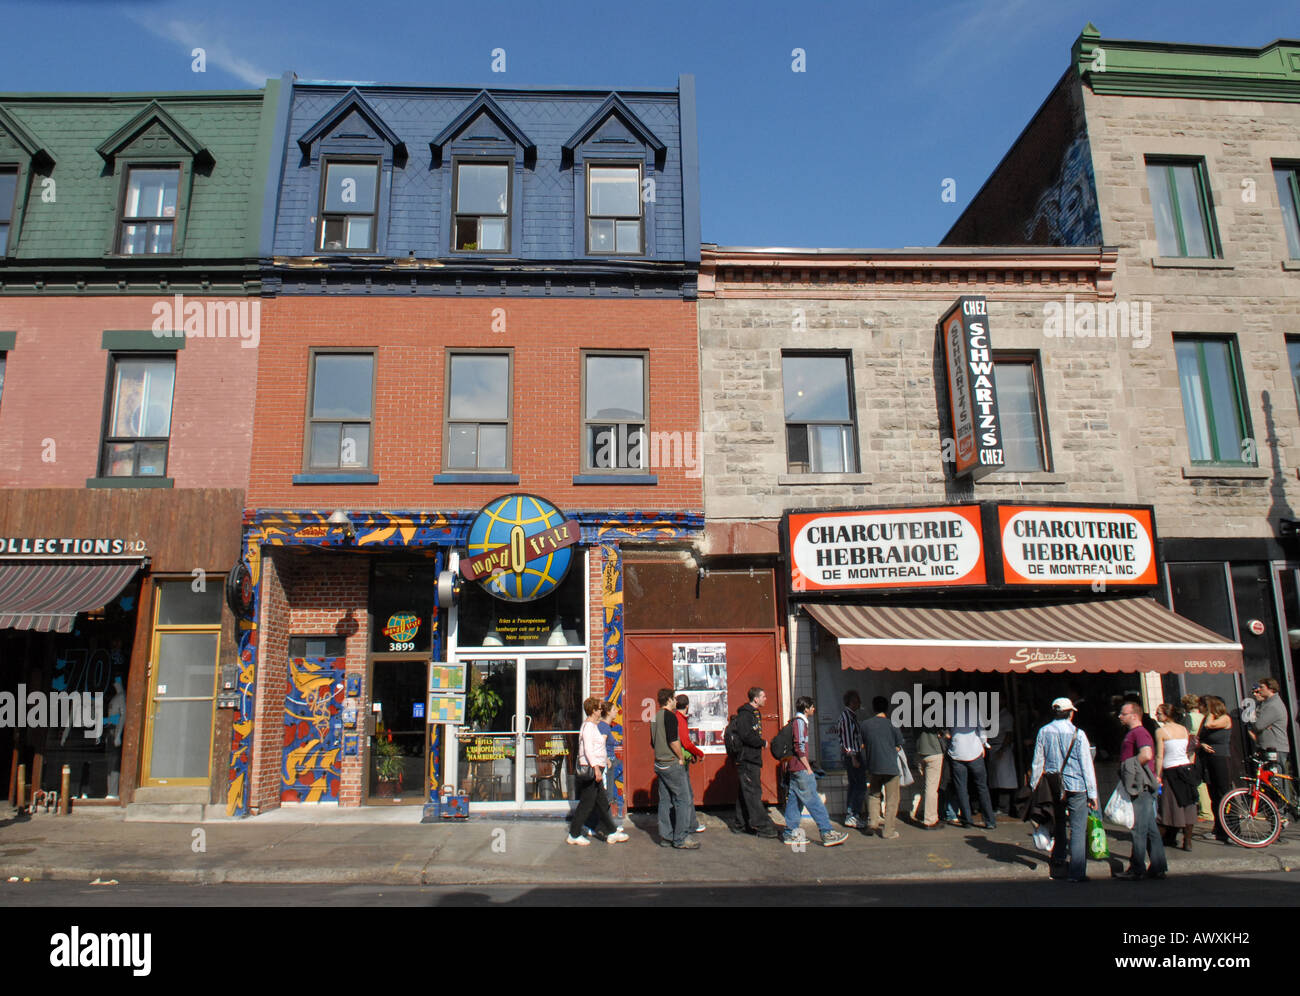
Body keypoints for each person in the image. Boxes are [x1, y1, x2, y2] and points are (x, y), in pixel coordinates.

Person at [1029, 697, 1098, 883]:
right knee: (1077, 827)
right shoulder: (1078, 734)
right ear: (1070, 713)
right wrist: (1092, 793)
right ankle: (1076, 872)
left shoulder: (1044, 731)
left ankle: (1058, 859)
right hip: (1076, 785)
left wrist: (1034, 785)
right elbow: (1086, 765)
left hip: (1053, 784)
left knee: (1058, 822)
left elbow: (1038, 761)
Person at [782, 697, 848, 847]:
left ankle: (790, 832)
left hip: (794, 767)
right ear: (806, 708)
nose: (814, 709)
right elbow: (800, 746)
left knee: (794, 800)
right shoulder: (800, 722)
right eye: (812, 707)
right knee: (814, 800)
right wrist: (808, 767)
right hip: (800, 768)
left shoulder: (799, 722)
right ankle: (827, 832)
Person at [1114, 701, 1167, 880]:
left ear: (1134, 716)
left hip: (1141, 787)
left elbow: (1146, 754)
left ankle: (1137, 868)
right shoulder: (1132, 733)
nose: (1120, 716)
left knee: (1139, 829)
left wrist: (1128, 767)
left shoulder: (1140, 733)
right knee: (1150, 829)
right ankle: (1158, 866)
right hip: (1140, 785)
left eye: (1123, 713)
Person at [567, 697, 629, 846]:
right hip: (591, 769)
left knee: (602, 802)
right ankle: (574, 834)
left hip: (598, 767)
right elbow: (588, 749)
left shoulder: (593, 726)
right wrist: (596, 768)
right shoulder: (588, 727)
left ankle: (611, 832)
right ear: (593, 710)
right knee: (587, 803)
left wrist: (605, 760)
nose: (601, 710)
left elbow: (597, 747)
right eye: (599, 708)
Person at [652, 688, 698, 850]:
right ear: (670, 700)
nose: (675, 702)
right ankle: (681, 838)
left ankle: (666, 836)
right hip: (671, 762)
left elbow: (653, 742)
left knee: (665, 800)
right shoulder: (670, 717)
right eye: (674, 699)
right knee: (683, 800)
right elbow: (673, 740)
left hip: (659, 763)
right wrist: (680, 757)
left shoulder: (655, 716)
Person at [730, 687, 780, 838]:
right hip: (747, 760)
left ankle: (740, 824)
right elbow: (746, 736)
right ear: (755, 699)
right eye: (763, 696)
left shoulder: (755, 713)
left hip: (752, 759)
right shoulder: (745, 715)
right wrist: (762, 742)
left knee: (745, 792)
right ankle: (762, 826)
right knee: (753, 793)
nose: (766, 699)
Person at [1156, 702, 1200, 851]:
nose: (1156, 715)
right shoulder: (1183, 729)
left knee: (1169, 806)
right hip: (1186, 768)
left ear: (1167, 715)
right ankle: (1187, 840)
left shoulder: (1161, 732)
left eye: (1159, 713)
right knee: (1188, 804)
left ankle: (1163, 839)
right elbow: (1187, 750)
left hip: (1171, 769)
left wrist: (1158, 775)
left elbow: (1159, 756)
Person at [861, 695, 905, 839]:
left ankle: (872, 823)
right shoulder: (893, 724)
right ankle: (888, 831)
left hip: (873, 766)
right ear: (887, 708)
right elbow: (898, 746)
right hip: (891, 767)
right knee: (892, 800)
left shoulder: (865, 725)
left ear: (873, 708)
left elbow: (862, 745)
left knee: (874, 795)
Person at [946, 713, 997, 830]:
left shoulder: (948, 710)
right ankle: (989, 821)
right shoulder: (974, 709)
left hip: (957, 753)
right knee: (982, 787)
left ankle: (967, 820)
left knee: (961, 788)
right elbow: (981, 729)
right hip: (975, 751)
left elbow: (946, 731)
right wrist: (983, 743)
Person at [1198, 695, 1233, 843]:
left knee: (1223, 792)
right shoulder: (1206, 719)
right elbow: (1199, 736)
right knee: (1214, 794)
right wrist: (1202, 745)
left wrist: (1210, 714)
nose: (1200, 709)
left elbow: (1209, 726)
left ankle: (1231, 828)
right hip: (1208, 759)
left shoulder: (1224, 718)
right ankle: (1218, 828)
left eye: (1203, 706)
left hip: (1220, 758)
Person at [674, 694, 706, 834]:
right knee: (686, 794)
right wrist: (699, 752)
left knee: (683, 794)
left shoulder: (675, 718)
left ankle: (690, 823)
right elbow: (686, 742)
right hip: (680, 760)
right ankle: (689, 825)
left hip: (677, 759)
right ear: (687, 706)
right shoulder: (680, 719)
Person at [1250, 678, 1291, 773]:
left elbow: (1258, 725)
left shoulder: (1273, 705)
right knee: (1268, 781)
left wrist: (1257, 720)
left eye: (1262, 687)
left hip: (1275, 749)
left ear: (1271, 689)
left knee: (1275, 781)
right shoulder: (1265, 704)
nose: (1259, 689)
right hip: (1267, 748)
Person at [838, 691, 866, 828]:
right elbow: (848, 740)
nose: (859, 703)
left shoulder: (851, 717)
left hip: (853, 754)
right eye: (857, 701)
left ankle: (853, 814)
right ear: (851, 702)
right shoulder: (847, 717)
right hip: (852, 756)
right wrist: (854, 757)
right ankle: (853, 814)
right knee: (858, 785)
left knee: (855, 785)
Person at [987, 702, 1017, 816]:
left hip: (1002, 748)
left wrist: (1002, 749)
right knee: (995, 779)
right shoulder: (994, 715)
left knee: (1004, 780)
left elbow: (1009, 734)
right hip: (993, 747)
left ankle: (1004, 807)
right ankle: (997, 806)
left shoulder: (1007, 716)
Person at [916, 714, 945, 829]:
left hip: (920, 753)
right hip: (934, 752)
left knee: (926, 786)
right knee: (932, 789)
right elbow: (942, 732)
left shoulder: (914, 715)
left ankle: (923, 811)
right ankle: (930, 820)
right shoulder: (934, 715)